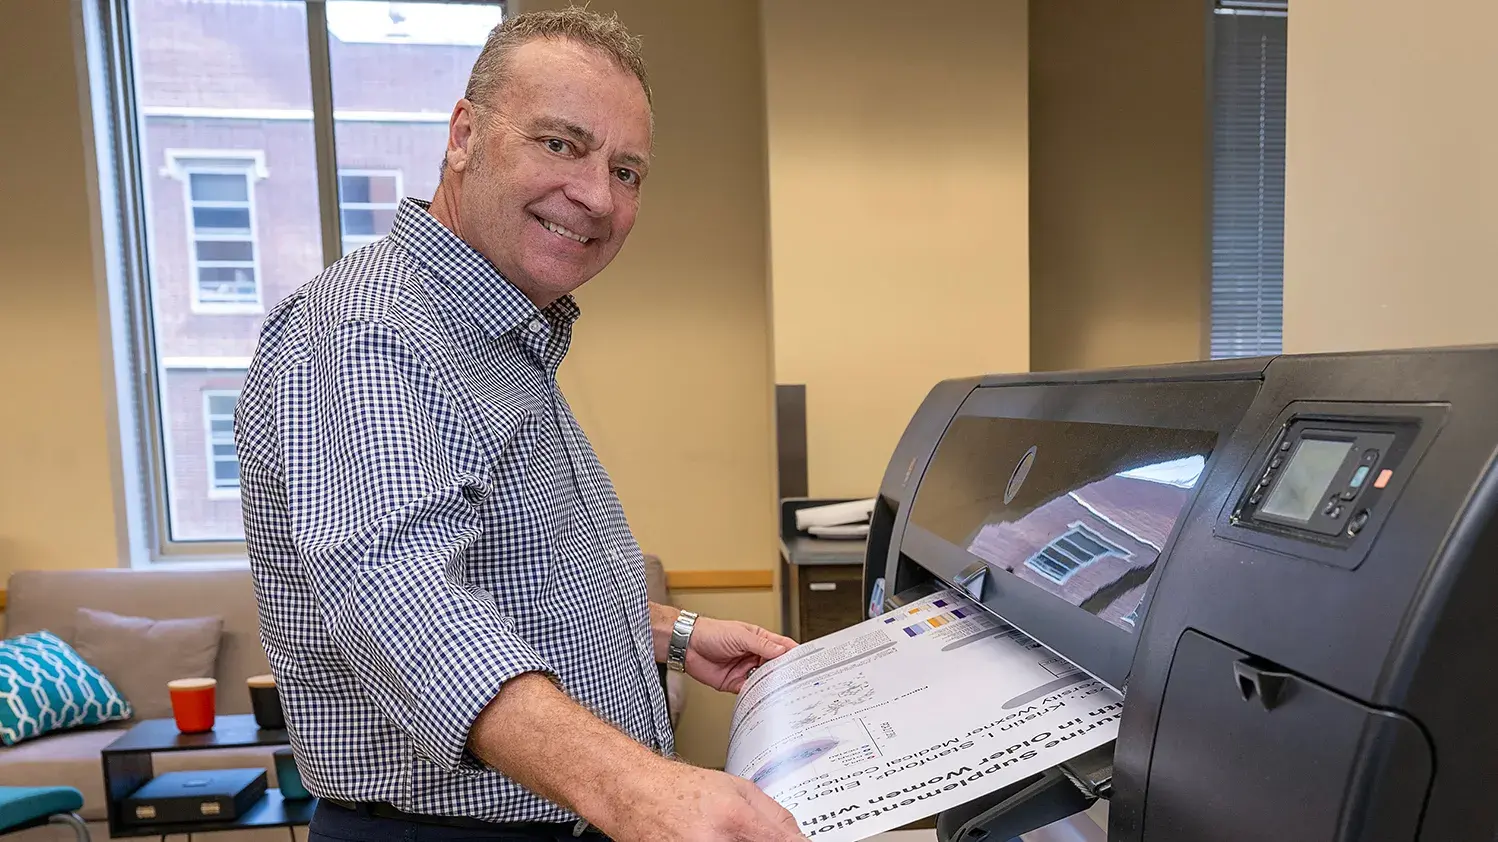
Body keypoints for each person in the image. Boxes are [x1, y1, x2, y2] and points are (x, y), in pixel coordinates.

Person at [234, 9, 809, 842]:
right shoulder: (375, 327)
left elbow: (504, 573)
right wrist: (635, 789)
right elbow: (400, 602)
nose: (596, 196)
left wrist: (674, 634)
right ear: (464, 133)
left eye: (628, 171)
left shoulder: (501, 335)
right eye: (561, 144)